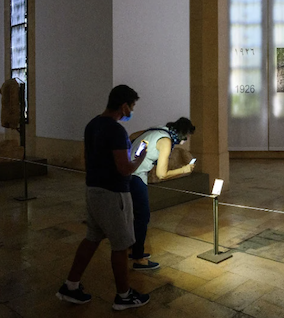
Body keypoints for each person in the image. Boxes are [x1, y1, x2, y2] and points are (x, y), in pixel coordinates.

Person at [56, 84, 150, 311]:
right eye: (132, 106)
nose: (132, 112)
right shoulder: (115, 130)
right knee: (121, 245)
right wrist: (140, 158)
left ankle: (71, 285)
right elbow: (124, 168)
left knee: (91, 238)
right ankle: (124, 296)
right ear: (124, 105)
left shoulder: (93, 125)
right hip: (113, 194)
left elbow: (89, 159)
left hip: (94, 190)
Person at [128, 117, 196, 270]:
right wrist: (184, 170)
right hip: (135, 176)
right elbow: (161, 174)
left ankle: (133, 249)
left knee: (138, 216)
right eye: (187, 136)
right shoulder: (166, 141)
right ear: (182, 133)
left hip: (130, 172)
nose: (186, 140)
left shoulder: (157, 129)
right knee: (143, 216)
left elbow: (133, 137)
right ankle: (138, 259)